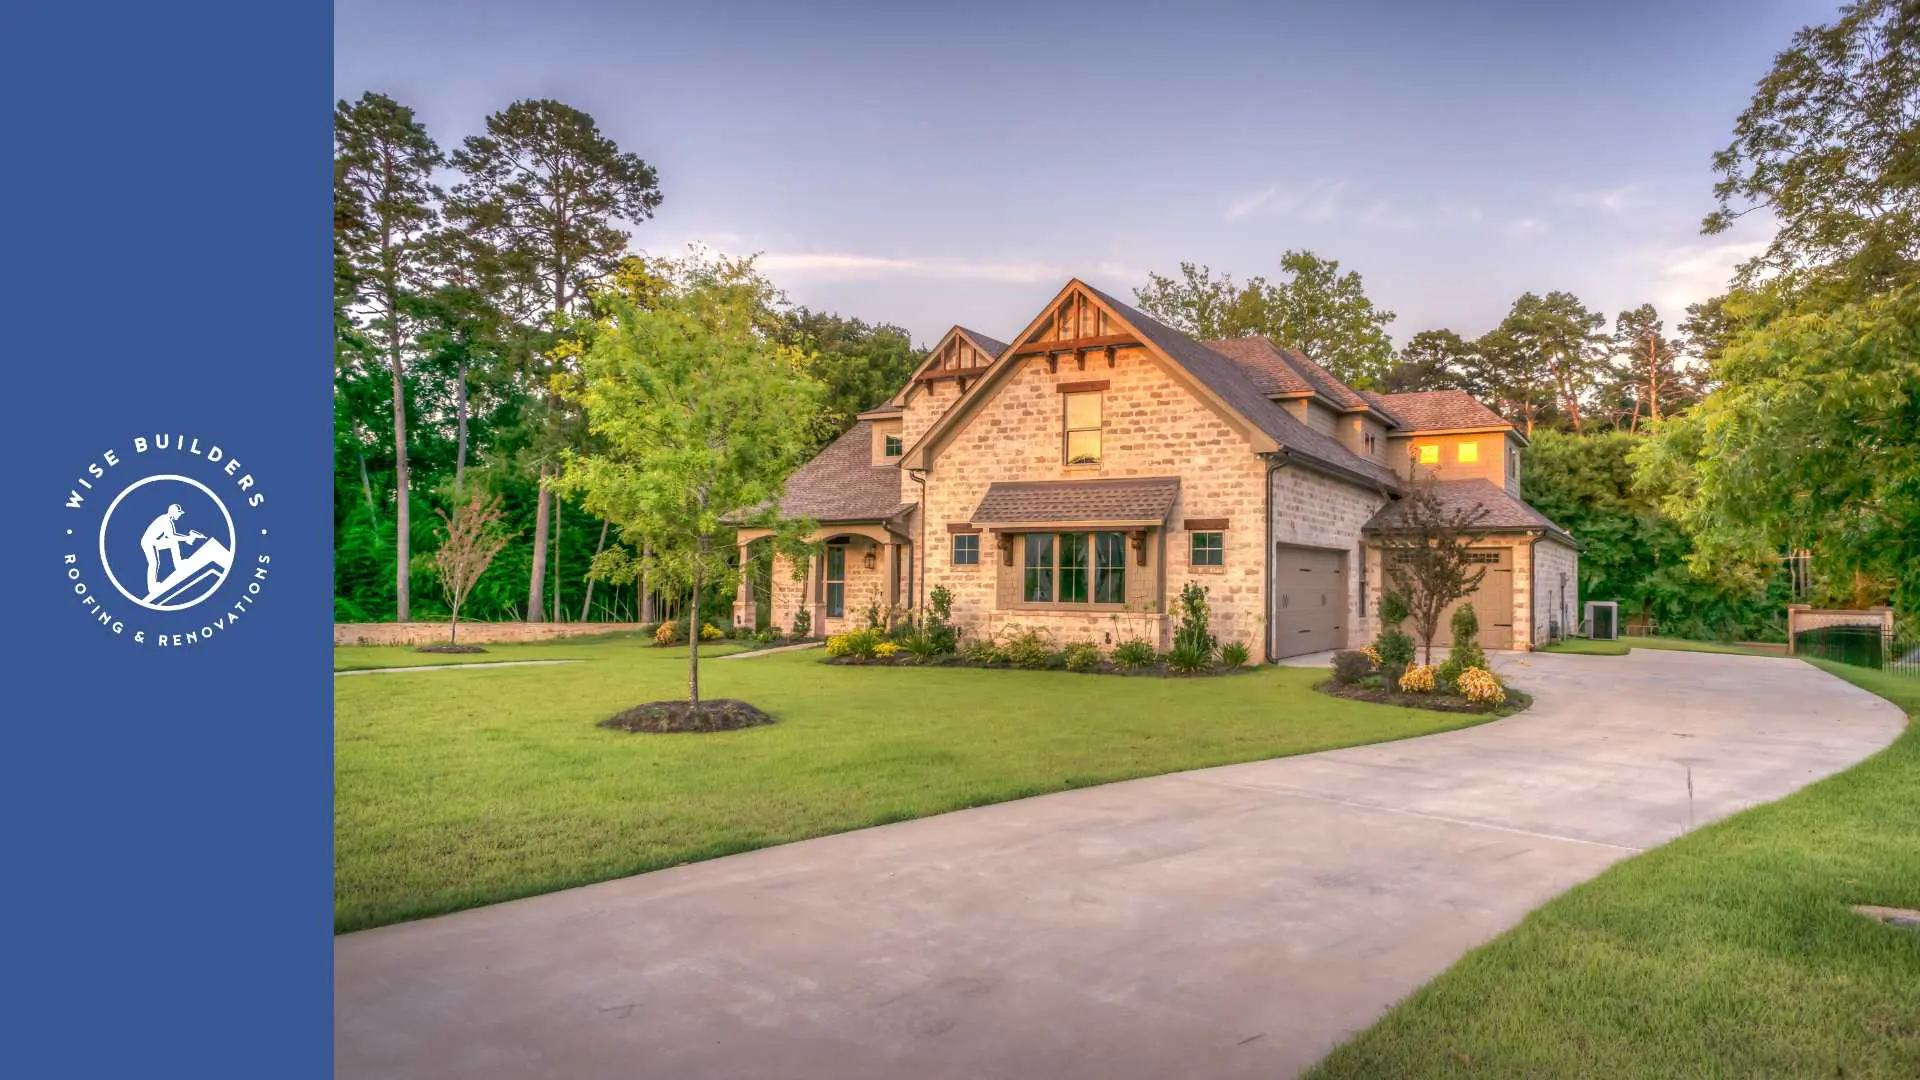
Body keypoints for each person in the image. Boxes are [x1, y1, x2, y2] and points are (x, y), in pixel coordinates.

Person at [142, 503, 206, 595]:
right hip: (148, 542)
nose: (180, 515)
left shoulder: (168, 519)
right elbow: (172, 536)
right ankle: (152, 588)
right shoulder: (165, 520)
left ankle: (178, 564)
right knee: (154, 562)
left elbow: (171, 536)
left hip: (155, 541)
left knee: (173, 543)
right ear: (173, 512)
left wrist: (187, 538)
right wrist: (187, 538)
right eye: (178, 513)